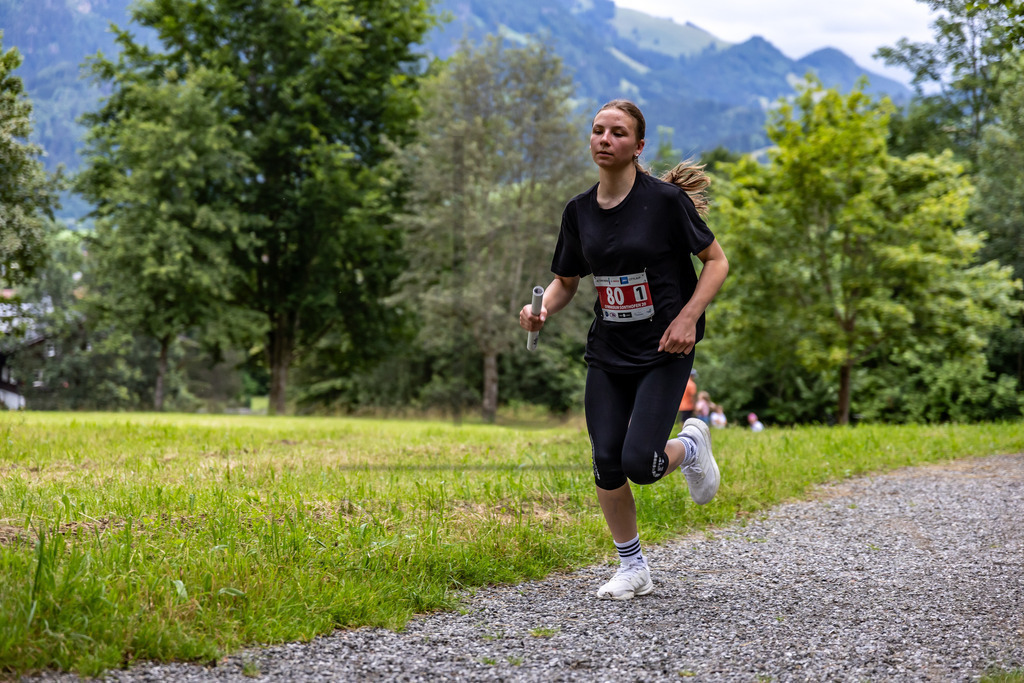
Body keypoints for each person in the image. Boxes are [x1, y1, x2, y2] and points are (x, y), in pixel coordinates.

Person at [519, 99, 729, 601]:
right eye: (597, 131)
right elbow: (565, 282)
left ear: (637, 146)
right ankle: (632, 566)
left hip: (665, 347)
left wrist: (687, 319)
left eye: (617, 132)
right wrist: (542, 309)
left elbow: (716, 263)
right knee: (606, 460)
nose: (604, 139)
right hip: (609, 351)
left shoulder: (663, 202)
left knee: (642, 463)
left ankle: (693, 445)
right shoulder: (578, 211)